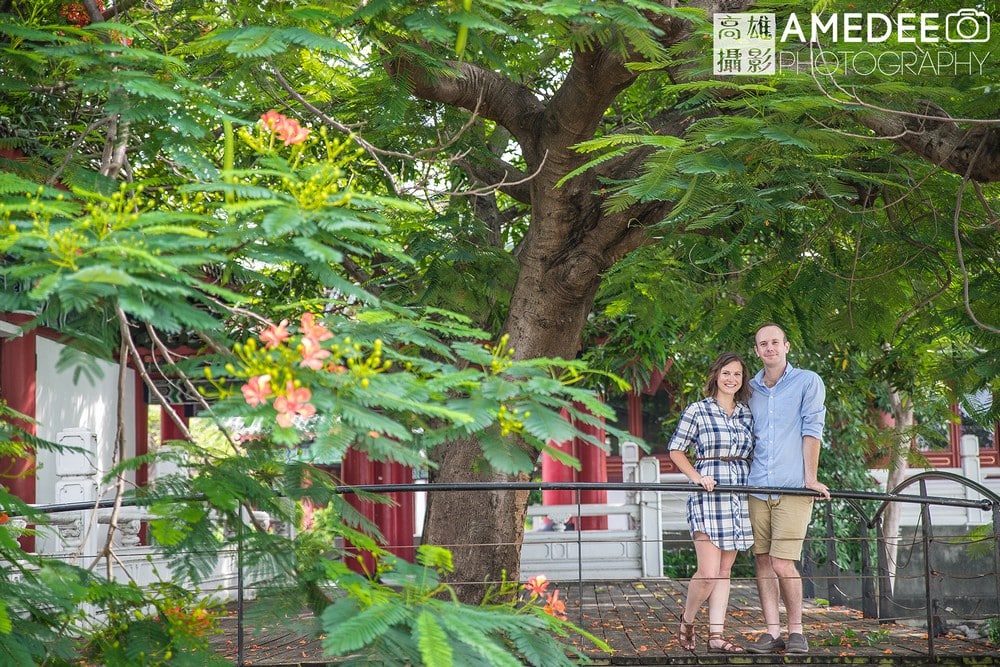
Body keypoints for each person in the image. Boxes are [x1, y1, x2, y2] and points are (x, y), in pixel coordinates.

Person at [745, 323, 830, 655]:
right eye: (763, 344)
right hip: (756, 488)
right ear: (757, 350)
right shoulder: (749, 387)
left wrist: (810, 478)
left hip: (793, 487)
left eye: (775, 342)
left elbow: (812, 429)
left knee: (783, 562)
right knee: (763, 561)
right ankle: (771, 632)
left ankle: (797, 631)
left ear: (786, 346)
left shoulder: (807, 381)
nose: (769, 348)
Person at [667, 352, 754, 654]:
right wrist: (695, 476)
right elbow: (676, 450)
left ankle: (716, 636)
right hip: (708, 494)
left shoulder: (745, 413)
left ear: (743, 380)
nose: (731, 379)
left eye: (737, 375)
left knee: (725, 571)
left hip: (738, 496)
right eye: (726, 373)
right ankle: (687, 620)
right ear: (716, 374)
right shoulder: (698, 410)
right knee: (708, 572)